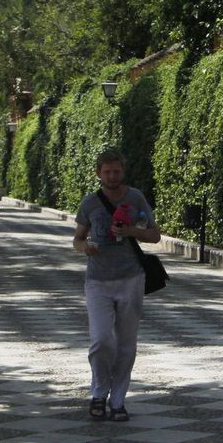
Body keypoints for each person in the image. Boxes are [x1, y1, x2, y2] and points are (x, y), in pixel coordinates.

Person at [71, 149, 159, 422]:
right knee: (101, 340)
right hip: (97, 280)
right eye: (107, 172)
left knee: (126, 344)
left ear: (123, 171)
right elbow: (77, 239)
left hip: (131, 278)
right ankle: (98, 392)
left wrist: (132, 231)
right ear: (99, 173)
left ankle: (118, 400)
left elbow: (154, 235)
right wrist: (85, 247)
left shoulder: (135, 198)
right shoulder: (90, 203)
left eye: (116, 171)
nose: (112, 176)